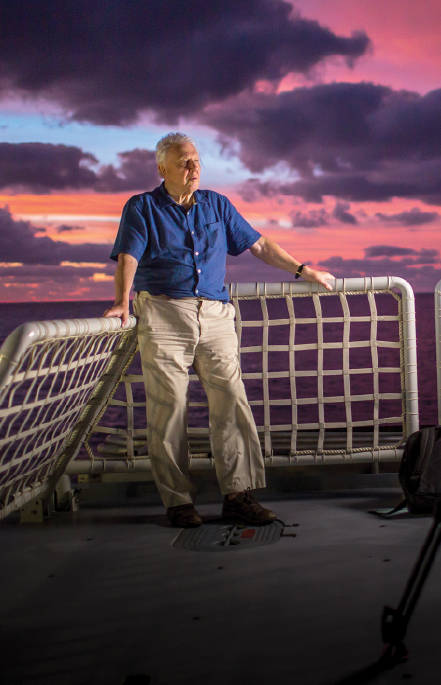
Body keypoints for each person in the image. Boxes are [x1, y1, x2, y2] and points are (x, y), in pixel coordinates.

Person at [103, 132, 336, 529]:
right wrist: (123, 302)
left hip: (214, 315)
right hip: (163, 312)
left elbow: (258, 245)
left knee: (232, 401)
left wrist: (304, 270)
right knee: (168, 408)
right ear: (163, 169)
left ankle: (238, 496)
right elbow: (129, 254)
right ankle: (178, 502)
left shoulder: (217, 205)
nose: (193, 168)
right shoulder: (142, 206)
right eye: (183, 162)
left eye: (195, 160)